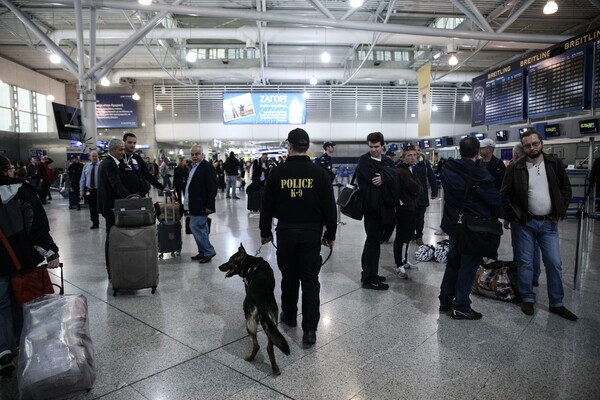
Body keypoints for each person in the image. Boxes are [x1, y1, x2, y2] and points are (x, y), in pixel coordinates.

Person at [259, 128, 337, 346]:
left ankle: (290, 316)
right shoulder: (319, 173)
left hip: (286, 232)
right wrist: (330, 234)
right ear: (308, 147)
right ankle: (310, 330)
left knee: (289, 277)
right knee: (311, 281)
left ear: (289, 145)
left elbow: (266, 206)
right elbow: (330, 207)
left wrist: (265, 232)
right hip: (311, 233)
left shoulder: (277, 173)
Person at [501, 131, 577, 321]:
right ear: (523, 147)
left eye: (535, 143)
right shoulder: (515, 167)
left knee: (554, 262)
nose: (532, 148)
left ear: (541, 143)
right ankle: (527, 297)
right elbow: (505, 195)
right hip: (525, 223)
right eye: (528, 145)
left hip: (548, 224)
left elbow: (566, 189)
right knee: (526, 262)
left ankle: (557, 302)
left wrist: (560, 211)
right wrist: (513, 216)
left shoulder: (554, 164)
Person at [0, 155, 60, 376]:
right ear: (8, 170)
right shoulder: (23, 193)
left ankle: (5, 349)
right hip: (21, 258)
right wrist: (50, 251)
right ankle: (25, 345)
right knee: (24, 299)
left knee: (2, 303)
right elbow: (36, 226)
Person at [439, 137, 501, 320]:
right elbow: (494, 199)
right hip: (473, 227)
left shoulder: (448, 169)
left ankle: (445, 300)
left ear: (459, 150)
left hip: (454, 223)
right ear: (477, 151)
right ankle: (461, 306)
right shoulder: (478, 173)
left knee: (453, 263)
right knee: (468, 265)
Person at [357, 132, 398, 290]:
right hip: (371, 208)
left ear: (382, 145)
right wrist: (386, 175)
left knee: (373, 241)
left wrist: (385, 177)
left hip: (385, 208)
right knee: (373, 241)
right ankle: (369, 278)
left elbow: (395, 176)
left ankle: (367, 272)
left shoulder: (387, 160)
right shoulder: (364, 161)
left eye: (377, 146)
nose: (374, 149)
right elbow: (373, 178)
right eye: (371, 146)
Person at [98, 138, 131, 278]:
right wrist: (130, 198)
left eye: (123, 149)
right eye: (120, 150)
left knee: (112, 236)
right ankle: (111, 267)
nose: (123, 152)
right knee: (111, 237)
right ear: (111, 150)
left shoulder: (107, 162)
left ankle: (112, 266)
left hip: (108, 206)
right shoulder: (110, 164)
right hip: (112, 207)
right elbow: (116, 185)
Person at [510, 144, 541, 286]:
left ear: (516, 155)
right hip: (539, 215)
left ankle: (521, 276)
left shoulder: (514, 168)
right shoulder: (539, 167)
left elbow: (509, 195)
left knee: (519, 247)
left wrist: (507, 216)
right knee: (534, 247)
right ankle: (534, 277)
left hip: (519, 216)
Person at [184, 145, 217, 264]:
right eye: (192, 154)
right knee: (201, 228)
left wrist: (210, 205)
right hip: (194, 203)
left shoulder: (207, 167)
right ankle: (203, 252)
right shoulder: (193, 167)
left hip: (202, 204)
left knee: (195, 226)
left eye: (197, 154)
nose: (194, 156)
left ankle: (209, 251)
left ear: (202, 154)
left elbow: (212, 187)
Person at [393, 145, 422, 279]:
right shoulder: (401, 171)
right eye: (409, 155)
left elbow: (418, 187)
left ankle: (404, 261)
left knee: (408, 236)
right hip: (404, 209)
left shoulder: (412, 170)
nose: (412, 157)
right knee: (401, 237)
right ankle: (399, 264)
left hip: (411, 207)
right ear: (403, 157)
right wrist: (416, 188)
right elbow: (415, 187)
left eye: (414, 155)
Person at [413, 150, 438, 246]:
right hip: (410, 196)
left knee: (420, 217)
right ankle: (411, 234)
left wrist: (434, 191)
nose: (416, 152)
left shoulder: (425, 164)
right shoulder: (406, 164)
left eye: (418, 150)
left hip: (422, 195)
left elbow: (431, 177)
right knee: (411, 217)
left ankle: (419, 236)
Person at [79, 150, 100, 229]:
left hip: (99, 190)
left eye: (96, 156)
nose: (94, 158)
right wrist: (81, 190)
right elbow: (83, 179)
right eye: (93, 156)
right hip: (90, 190)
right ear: (90, 157)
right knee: (92, 208)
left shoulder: (101, 166)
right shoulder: (86, 166)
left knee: (102, 207)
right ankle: (95, 223)